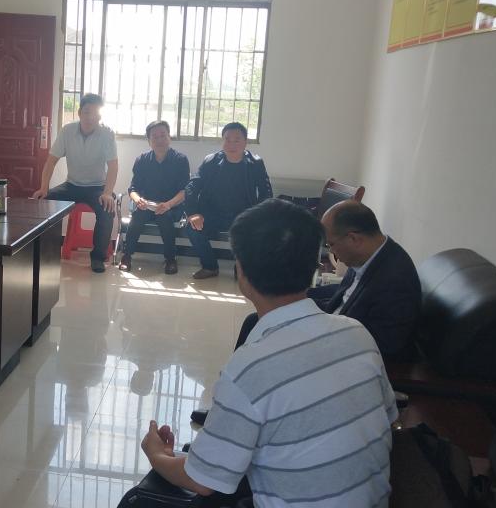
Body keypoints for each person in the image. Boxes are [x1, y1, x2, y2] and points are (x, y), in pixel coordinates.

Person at [140, 199, 397, 507]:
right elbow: (388, 417)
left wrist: (156, 455)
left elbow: (202, 482)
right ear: (313, 267)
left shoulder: (250, 369)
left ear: (242, 272)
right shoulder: (357, 333)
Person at [312, 200, 422, 362]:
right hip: (335, 332)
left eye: (331, 244)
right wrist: (301, 300)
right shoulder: (364, 257)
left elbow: (383, 348)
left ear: (353, 239)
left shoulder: (396, 282)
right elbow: (341, 300)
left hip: (348, 355)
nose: (332, 252)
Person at [32, 93, 119, 273]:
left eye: (95, 114)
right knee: (42, 202)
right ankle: (43, 252)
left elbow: (113, 166)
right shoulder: (67, 131)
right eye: (86, 112)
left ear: (100, 116)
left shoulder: (107, 134)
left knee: (107, 210)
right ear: (79, 113)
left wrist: (107, 192)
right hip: (72, 185)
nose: (90, 117)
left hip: (97, 187)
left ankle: (97, 258)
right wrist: (43, 187)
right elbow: (51, 161)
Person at [184, 122, 272, 279]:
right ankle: (210, 266)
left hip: (243, 215)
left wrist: (257, 216)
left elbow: (266, 192)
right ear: (222, 141)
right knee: (192, 228)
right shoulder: (210, 161)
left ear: (245, 142)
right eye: (227, 139)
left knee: (254, 232)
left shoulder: (255, 163)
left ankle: (241, 269)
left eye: (237, 140)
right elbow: (192, 186)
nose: (231, 144)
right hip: (212, 213)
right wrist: (193, 213)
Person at [119, 120, 190, 275]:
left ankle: (170, 259)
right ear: (149, 141)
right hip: (147, 205)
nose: (159, 140)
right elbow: (132, 189)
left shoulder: (180, 160)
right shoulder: (142, 160)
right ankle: (126, 256)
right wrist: (138, 200)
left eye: (163, 135)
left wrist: (168, 204)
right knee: (137, 216)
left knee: (165, 217)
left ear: (169, 137)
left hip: (172, 206)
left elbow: (184, 191)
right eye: (154, 137)